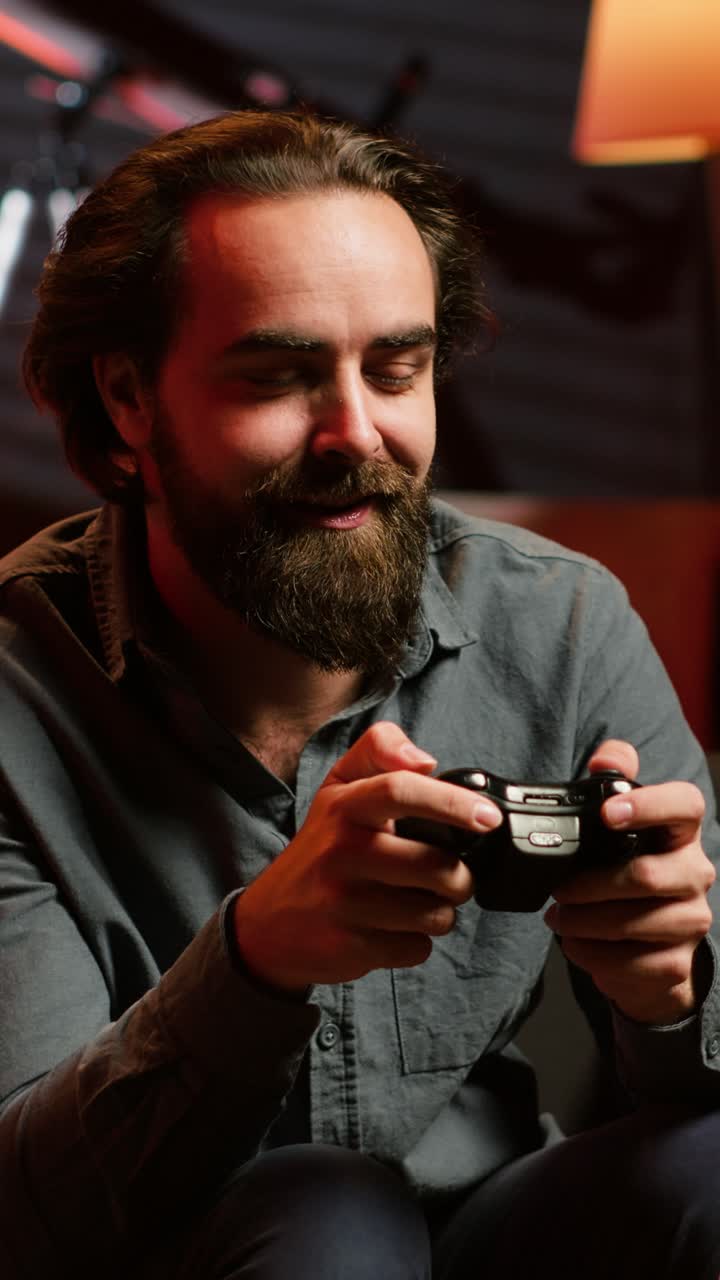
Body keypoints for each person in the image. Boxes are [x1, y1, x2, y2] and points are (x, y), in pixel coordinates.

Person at [1, 110, 719, 1280]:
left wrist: (673, 990)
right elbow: (23, 1215)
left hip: (489, 1228)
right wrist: (254, 961)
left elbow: (691, 1072)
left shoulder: (561, 622)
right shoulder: (16, 695)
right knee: (330, 1216)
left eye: (399, 367)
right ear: (129, 398)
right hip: (185, 1254)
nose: (357, 433)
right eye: (279, 375)